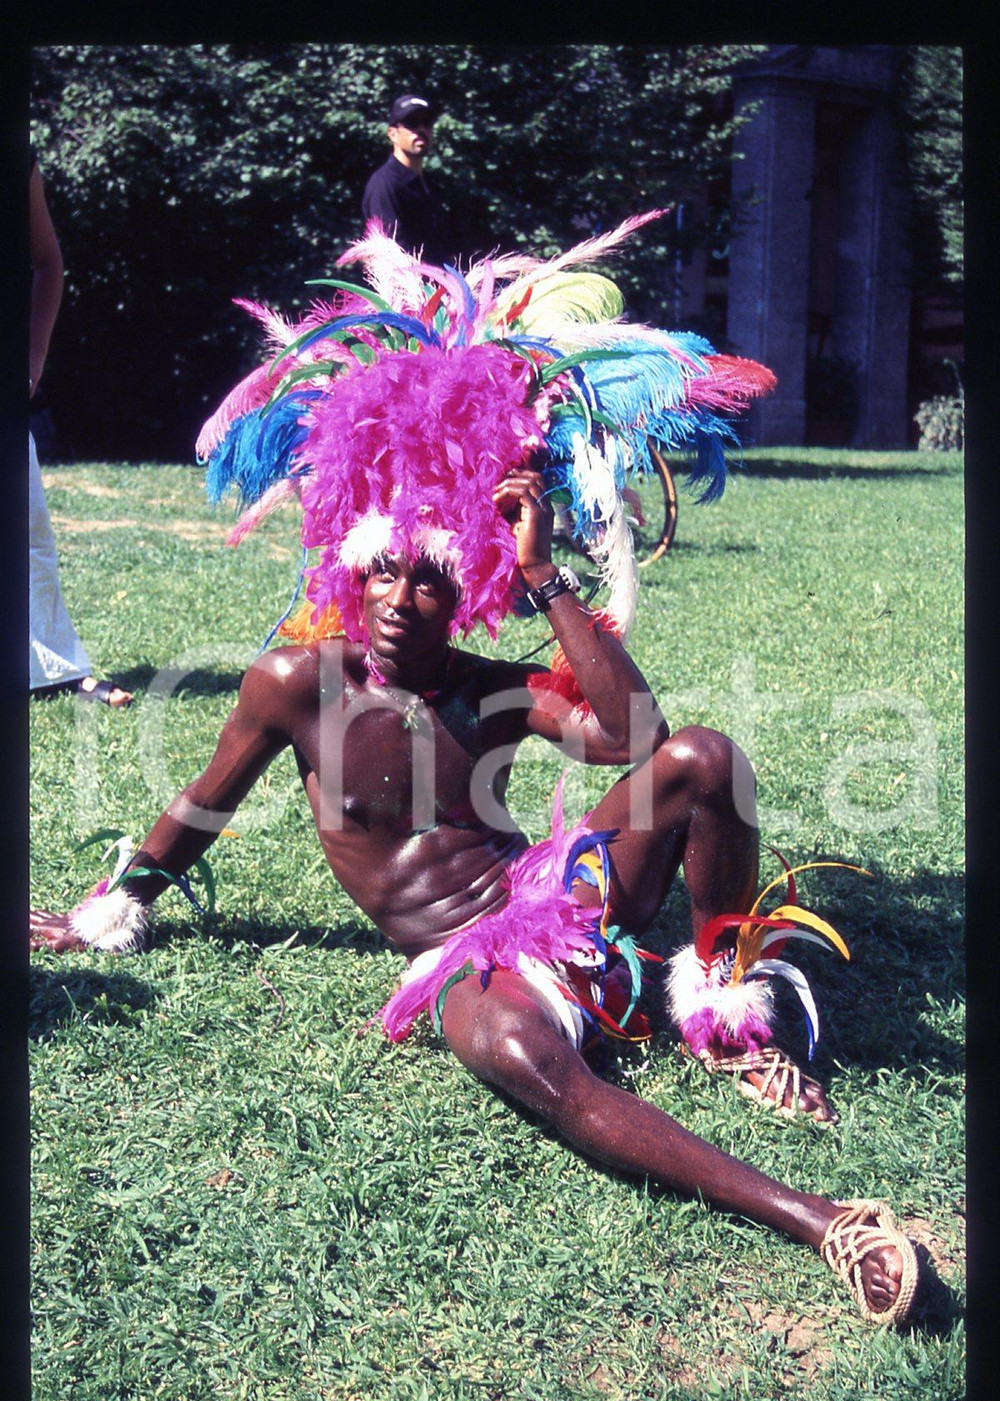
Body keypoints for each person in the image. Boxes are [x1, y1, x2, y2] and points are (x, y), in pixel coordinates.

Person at [30, 215, 920, 1326]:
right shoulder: (290, 687)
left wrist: (545, 576)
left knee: (706, 760)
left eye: (437, 582)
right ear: (352, 572)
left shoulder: (493, 686)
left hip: (562, 896)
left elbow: (640, 743)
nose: (406, 602)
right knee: (504, 1045)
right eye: (388, 575)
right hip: (467, 958)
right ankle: (820, 1216)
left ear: (470, 590)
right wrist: (114, 904)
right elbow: (201, 806)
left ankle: (725, 1006)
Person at [29, 154, 132, 708]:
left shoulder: (19, 162)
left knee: (27, 531)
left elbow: (47, 262)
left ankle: (55, 670)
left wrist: (34, 357)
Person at [361, 92, 456, 264]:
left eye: (426, 123)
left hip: (443, 286)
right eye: (412, 123)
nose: (421, 130)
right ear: (392, 134)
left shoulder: (429, 184)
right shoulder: (385, 185)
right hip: (413, 289)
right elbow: (392, 256)